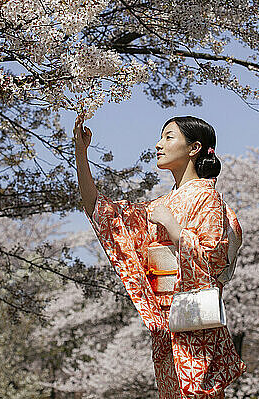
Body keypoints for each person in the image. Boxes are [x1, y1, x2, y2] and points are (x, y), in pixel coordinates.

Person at [74, 114, 246, 399]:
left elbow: (213, 259)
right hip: (165, 322)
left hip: (194, 319)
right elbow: (101, 211)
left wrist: (176, 229)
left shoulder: (206, 197)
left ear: (194, 148)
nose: (158, 144)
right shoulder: (160, 204)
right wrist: (81, 153)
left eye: (169, 137)